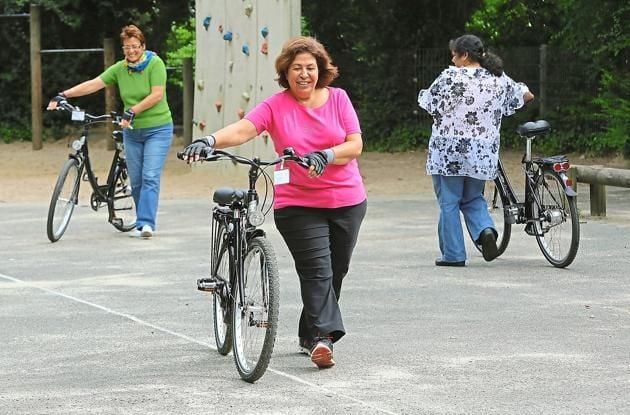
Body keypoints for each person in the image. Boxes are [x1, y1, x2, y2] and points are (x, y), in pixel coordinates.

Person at [182, 36, 367, 369]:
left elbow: (355, 145)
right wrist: (209, 140)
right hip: (297, 204)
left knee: (336, 270)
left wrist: (327, 153)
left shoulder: (338, 99)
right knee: (317, 271)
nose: (304, 74)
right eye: (297, 68)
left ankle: (309, 332)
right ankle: (323, 338)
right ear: (287, 71)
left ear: (320, 70)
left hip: (347, 200)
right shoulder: (276, 105)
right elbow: (244, 129)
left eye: (310, 68)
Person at [417, 34, 534, 267]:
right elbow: (526, 95)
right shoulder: (498, 78)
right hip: (482, 150)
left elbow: (427, 101)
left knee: (449, 201)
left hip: (448, 149)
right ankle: (485, 231)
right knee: (472, 197)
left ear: (465, 55)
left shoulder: (449, 76)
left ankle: (453, 255)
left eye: (454, 54)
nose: (452, 59)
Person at [47, 24, 173, 239]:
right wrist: (63, 95)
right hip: (132, 131)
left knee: (150, 176)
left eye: (135, 46)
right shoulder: (119, 68)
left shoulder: (156, 64)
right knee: (137, 180)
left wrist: (132, 110)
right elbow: (94, 84)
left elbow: (156, 95)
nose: (131, 51)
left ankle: (146, 224)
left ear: (143, 46)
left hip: (157, 129)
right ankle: (142, 218)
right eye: (126, 47)